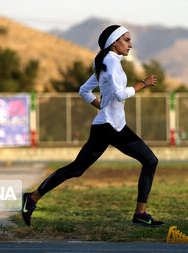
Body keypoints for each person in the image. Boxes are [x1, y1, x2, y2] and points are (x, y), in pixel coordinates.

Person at [22, 25, 164, 228]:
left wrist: (102, 106)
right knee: (147, 160)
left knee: (81, 168)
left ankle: (140, 214)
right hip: (108, 127)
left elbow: (84, 90)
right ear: (114, 42)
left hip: (112, 125)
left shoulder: (108, 62)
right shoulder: (110, 62)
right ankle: (32, 198)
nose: (130, 45)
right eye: (126, 40)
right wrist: (143, 83)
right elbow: (120, 94)